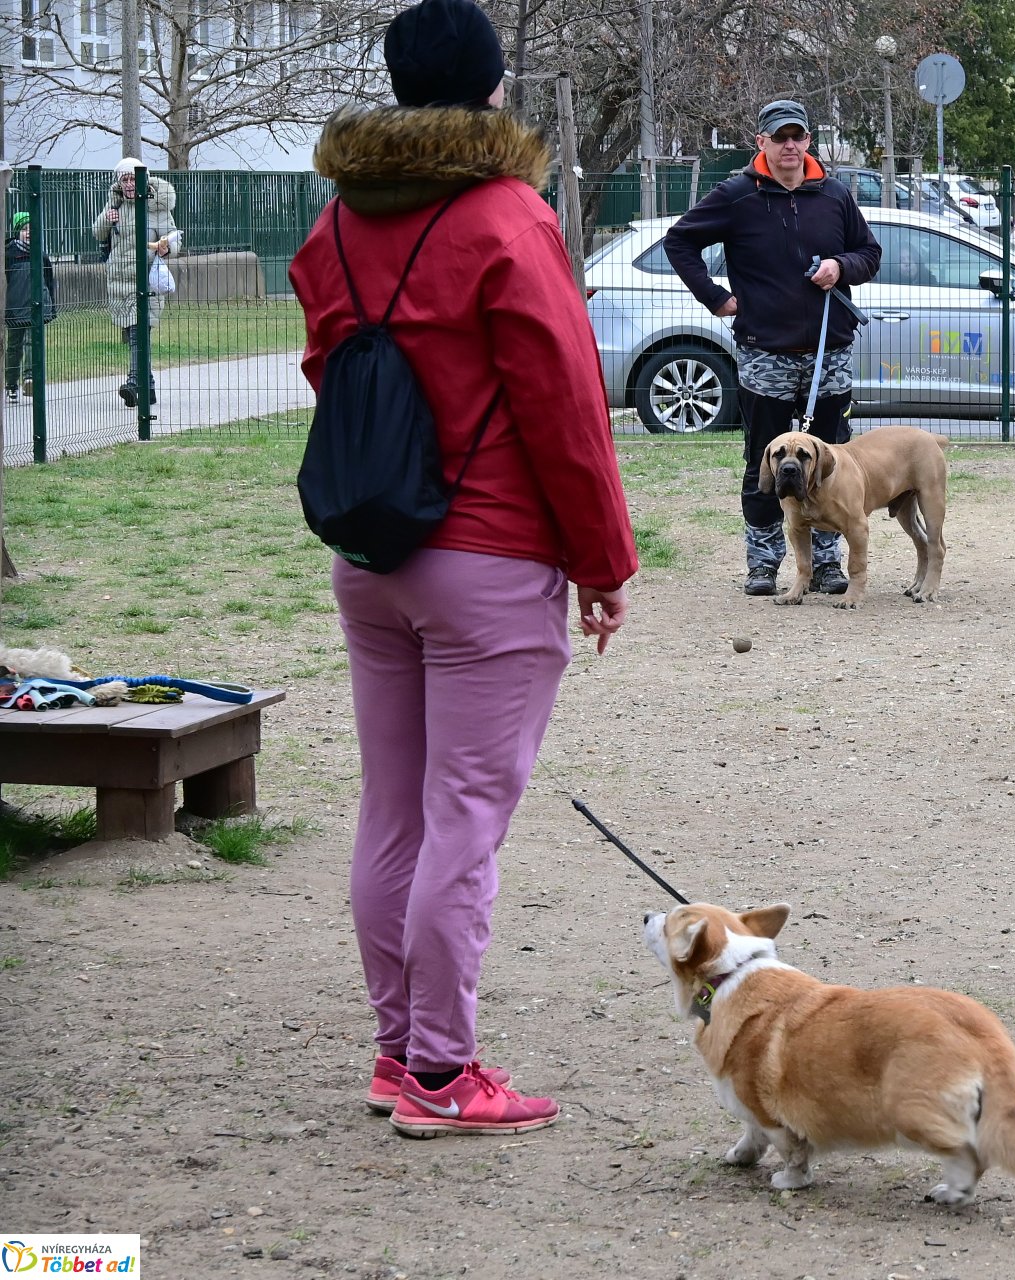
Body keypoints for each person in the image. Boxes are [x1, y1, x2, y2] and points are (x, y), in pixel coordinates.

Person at [289, 0, 637, 1137]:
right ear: (493, 88)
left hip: (372, 556)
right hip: (488, 560)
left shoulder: (339, 221)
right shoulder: (507, 216)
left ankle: (398, 1052)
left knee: (393, 812)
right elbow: (564, 403)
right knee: (464, 823)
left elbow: (328, 366)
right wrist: (602, 561)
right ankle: (444, 1074)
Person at [663, 99, 881, 597]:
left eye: (797, 136)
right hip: (765, 353)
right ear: (760, 142)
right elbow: (680, 242)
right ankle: (762, 563)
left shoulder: (835, 195)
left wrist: (841, 267)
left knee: (829, 459)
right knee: (764, 461)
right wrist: (716, 297)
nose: (789, 146)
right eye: (779, 137)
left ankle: (825, 562)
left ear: (808, 141)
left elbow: (870, 253)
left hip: (829, 352)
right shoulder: (737, 195)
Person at [92, 157, 178, 409]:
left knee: (139, 333)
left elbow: (173, 238)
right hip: (120, 281)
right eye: (125, 179)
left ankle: (133, 382)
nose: (129, 183)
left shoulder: (157, 206)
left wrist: (166, 248)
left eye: (133, 178)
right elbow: (97, 232)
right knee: (135, 334)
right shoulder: (115, 203)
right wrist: (107, 218)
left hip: (147, 281)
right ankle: (148, 387)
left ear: (143, 180)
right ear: (119, 182)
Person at [4, 212, 56, 404]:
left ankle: (30, 379)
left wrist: (51, 306)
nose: (29, 233)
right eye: (25, 229)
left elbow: (49, 281)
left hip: (36, 308)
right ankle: (11, 385)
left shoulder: (40, 255)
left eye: (32, 229)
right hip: (15, 308)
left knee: (32, 342)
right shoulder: (9, 254)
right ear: (17, 232)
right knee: (13, 348)